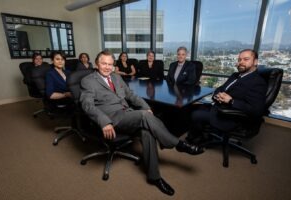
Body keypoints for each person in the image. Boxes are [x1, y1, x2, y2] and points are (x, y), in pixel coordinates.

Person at [80, 50, 204, 196]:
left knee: (148, 131)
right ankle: (178, 144)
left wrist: (146, 107)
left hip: (128, 114)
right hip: (112, 119)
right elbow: (87, 105)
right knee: (145, 117)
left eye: (110, 64)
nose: (107, 67)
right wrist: (104, 122)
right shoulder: (88, 80)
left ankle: (154, 177)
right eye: (103, 63)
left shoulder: (116, 77)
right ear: (96, 63)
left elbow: (131, 95)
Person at [186, 49, 267, 144]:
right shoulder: (235, 75)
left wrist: (231, 101)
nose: (241, 62)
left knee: (195, 114)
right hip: (219, 108)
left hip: (231, 117)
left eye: (246, 59)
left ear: (255, 62)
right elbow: (220, 88)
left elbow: (256, 110)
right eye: (239, 59)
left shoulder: (257, 82)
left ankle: (197, 140)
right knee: (191, 108)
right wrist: (218, 95)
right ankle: (200, 135)